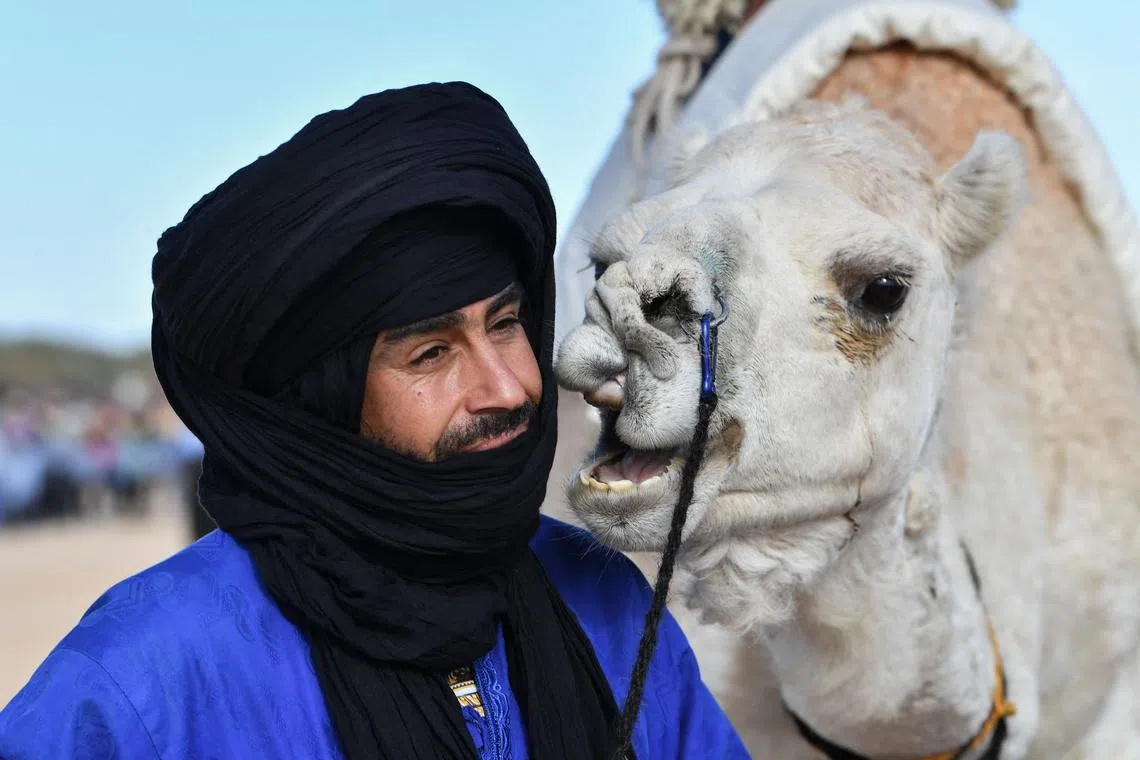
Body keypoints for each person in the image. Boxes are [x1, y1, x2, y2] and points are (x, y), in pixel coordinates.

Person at [0, 82, 748, 759]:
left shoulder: (605, 608)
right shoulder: (145, 682)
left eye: (507, 322)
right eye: (430, 353)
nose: (507, 385)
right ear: (322, 398)